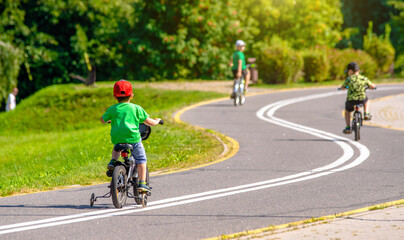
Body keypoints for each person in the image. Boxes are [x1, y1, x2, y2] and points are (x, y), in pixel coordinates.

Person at [100, 80, 162, 191]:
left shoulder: (112, 109)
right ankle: (142, 184)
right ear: (131, 95)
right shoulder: (136, 108)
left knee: (117, 146)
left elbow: (102, 120)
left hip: (118, 138)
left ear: (114, 96)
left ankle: (113, 161)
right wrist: (157, 121)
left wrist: (110, 119)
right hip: (133, 139)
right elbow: (149, 122)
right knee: (141, 160)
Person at [340, 62, 376, 134]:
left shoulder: (348, 79)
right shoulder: (363, 78)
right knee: (367, 100)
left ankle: (348, 127)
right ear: (358, 71)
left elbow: (343, 87)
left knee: (347, 111)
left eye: (348, 72)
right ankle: (366, 113)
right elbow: (371, 85)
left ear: (350, 71)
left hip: (351, 101)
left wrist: (343, 88)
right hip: (361, 99)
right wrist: (372, 86)